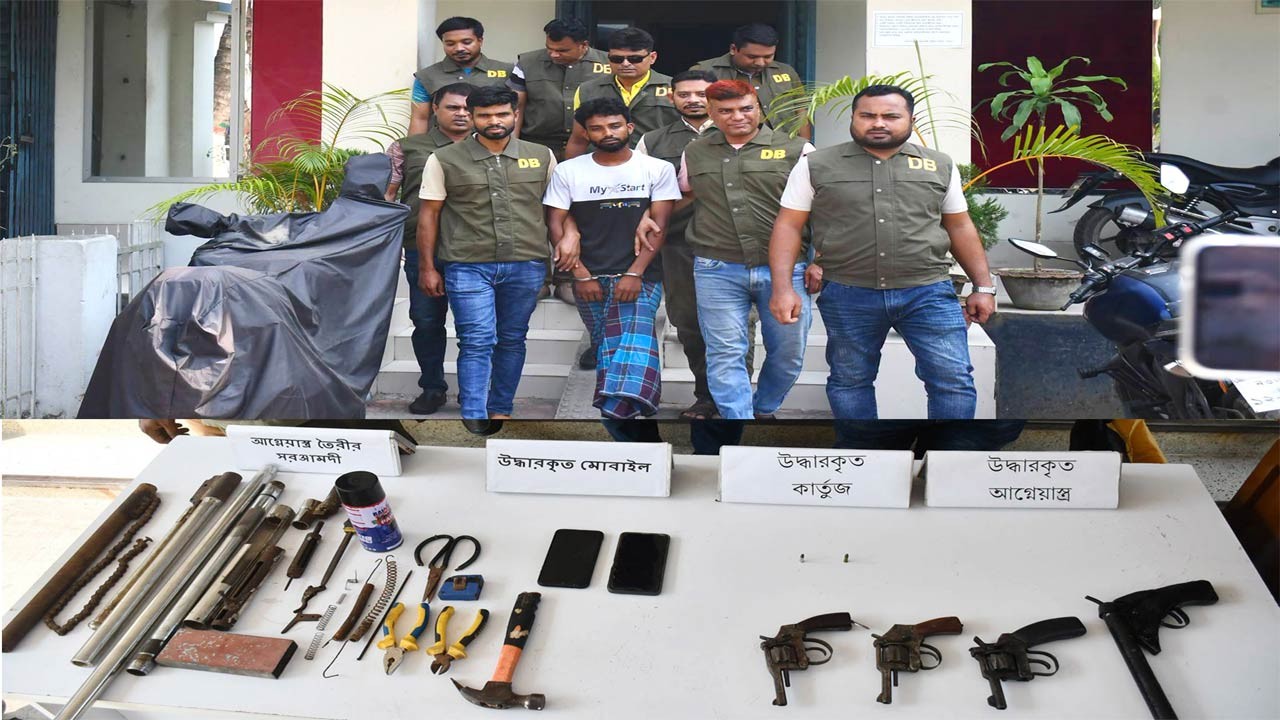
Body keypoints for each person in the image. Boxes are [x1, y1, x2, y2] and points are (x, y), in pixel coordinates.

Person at [769, 84, 997, 419]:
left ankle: (947, 448)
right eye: (868, 115)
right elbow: (789, 225)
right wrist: (782, 288)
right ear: (853, 118)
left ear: (910, 120)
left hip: (928, 292)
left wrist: (983, 286)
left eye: (891, 116)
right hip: (848, 293)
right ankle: (866, 448)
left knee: (953, 380)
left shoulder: (938, 165)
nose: (878, 123)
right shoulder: (816, 165)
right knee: (850, 380)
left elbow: (960, 226)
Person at [416, 86, 571, 434]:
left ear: (515, 115)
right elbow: (429, 216)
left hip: (526, 263)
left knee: (512, 338)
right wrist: (427, 267)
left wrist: (567, 240)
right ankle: (474, 412)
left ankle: (501, 408)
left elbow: (557, 209)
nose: (494, 121)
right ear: (472, 117)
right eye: (485, 115)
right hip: (467, 264)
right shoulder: (444, 158)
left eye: (502, 114)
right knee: (477, 339)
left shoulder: (541, 155)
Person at [681, 79, 816, 421]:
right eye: (726, 111)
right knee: (725, 351)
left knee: (788, 353)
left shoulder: (798, 150)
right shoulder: (694, 151)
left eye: (746, 109)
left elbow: (827, 209)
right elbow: (681, 194)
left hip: (785, 270)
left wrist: (823, 260)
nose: (738, 117)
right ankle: (738, 426)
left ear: (759, 107)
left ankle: (763, 409)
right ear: (711, 113)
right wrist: (648, 217)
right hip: (717, 267)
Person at [544, 98, 680, 419]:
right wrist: (580, 275)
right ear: (586, 133)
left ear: (629, 127)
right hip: (588, 276)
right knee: (606, 341)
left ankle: (621, 409)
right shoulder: (568, 171)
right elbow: (556, 223)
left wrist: (634, 273)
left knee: (631, 337)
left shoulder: (656, 169)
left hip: (641, 276)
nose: (607, 133)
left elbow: (659, 226)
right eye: (597, 128)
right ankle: (623, 407)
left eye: (615, 125)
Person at [634, 69, 725, 421]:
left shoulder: (738, 131)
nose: (693, 100)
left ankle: (731, 399)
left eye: (701, 93)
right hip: (678, 244)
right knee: (687, 321)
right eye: (684, 94)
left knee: (729, 326)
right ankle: (706, 396)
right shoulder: (653, 141)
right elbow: (640, 191)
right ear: (670, 97)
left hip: (729, 245)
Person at [384, 83, 474, 415]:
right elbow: (388, 196)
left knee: (473, 326)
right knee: (425, 321)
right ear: (434, 109)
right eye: (453, 107)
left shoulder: (489, 146)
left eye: (467, 108)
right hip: (422, 248)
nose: (462, 114)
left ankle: (473, 390)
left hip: (475, 250)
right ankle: (432, 388)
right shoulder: (406, 147)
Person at [564, 27, 678, 159]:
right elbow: (579, 139)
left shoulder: (675, 88)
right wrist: (570, 168)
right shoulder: (588, 89)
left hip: (658, 162)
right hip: (602, 163)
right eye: (617, 59)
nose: (625, 64)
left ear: (652, 57)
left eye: (635, 59)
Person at [509, 18, 610, 160]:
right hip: (538, 146)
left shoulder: (610, 64)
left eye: (562, 50)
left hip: (591, 147)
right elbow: (516, 108)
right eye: (549, 48)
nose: (554, 54)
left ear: (583, 45)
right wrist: (511, 147)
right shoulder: (527, 63)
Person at [690, 23, 809, 138]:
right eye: (752, 57)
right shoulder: (704, 71)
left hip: (781, 145)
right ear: (733, 49)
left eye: (768, 57)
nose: (760, 63)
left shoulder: (785, 71)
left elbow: (801, 111)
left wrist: (804, 145)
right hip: (724, 145)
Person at [410, 17, 514, 135]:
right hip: (444, 143)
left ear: (480, 41)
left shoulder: (507, 71)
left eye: (466, 42)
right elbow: (420, 118)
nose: (459, 48)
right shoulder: (427, 76)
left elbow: (517, 112)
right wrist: (415, 146)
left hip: (491, 141)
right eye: (450, 44)